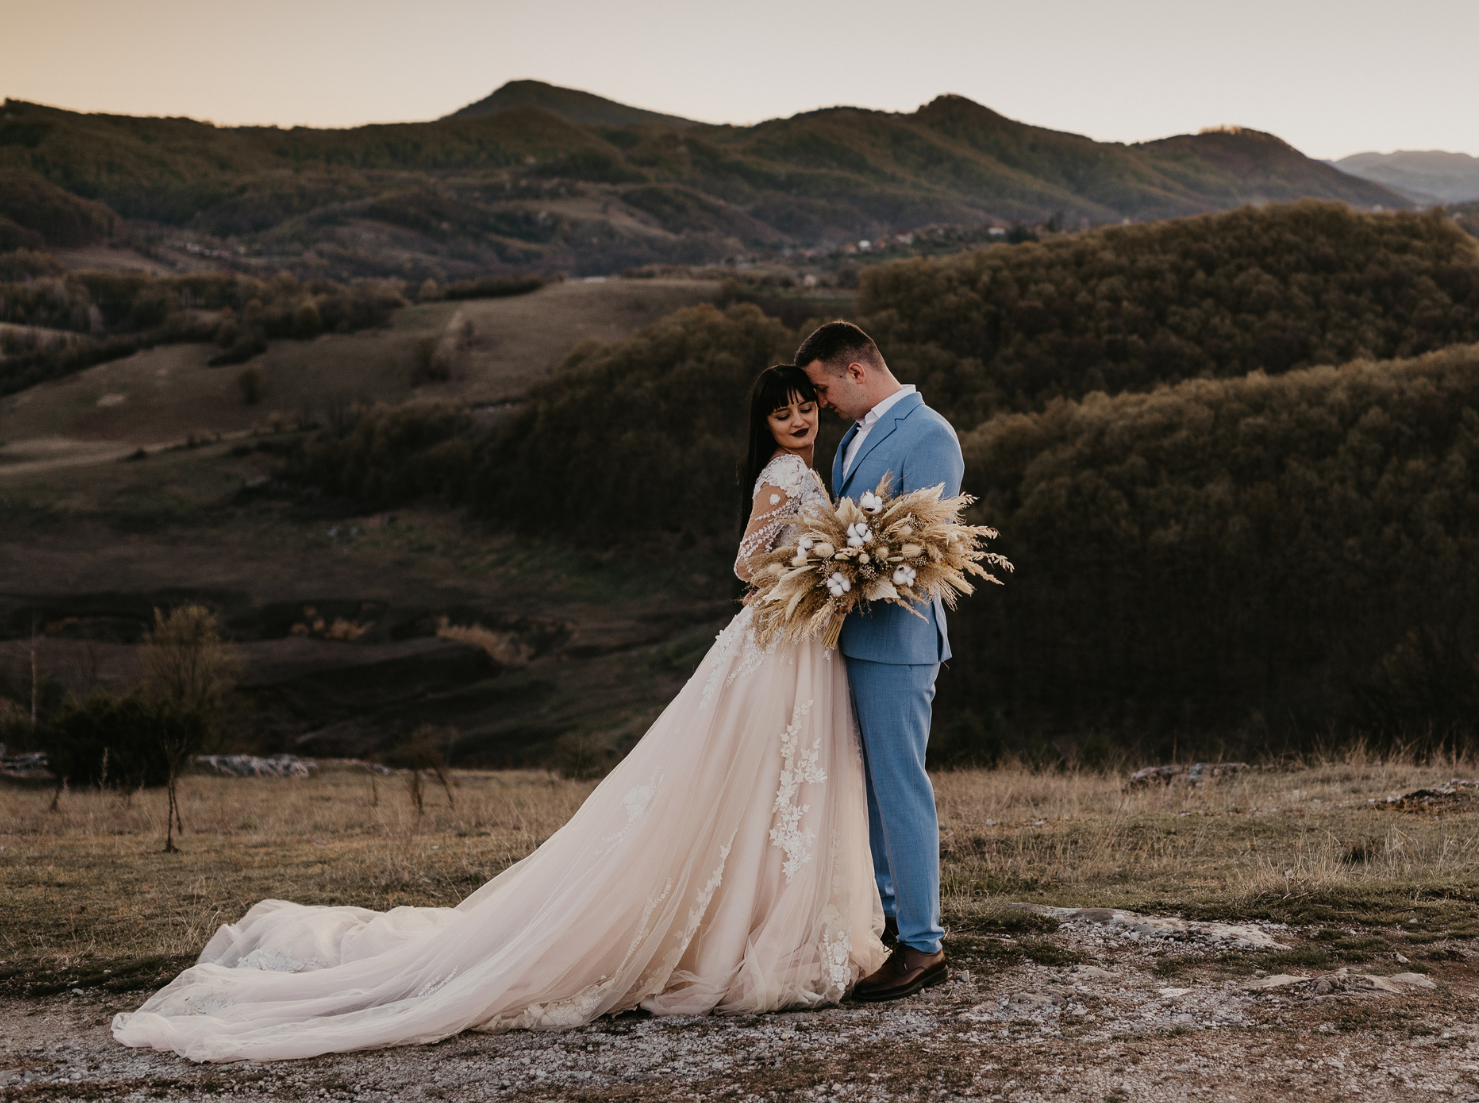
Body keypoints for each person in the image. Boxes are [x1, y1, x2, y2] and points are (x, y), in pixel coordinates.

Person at [111, 365, 887, 1062]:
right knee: (761, 782)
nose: (798, 420)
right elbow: (746, 561)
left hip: (797, 643)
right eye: (783, 412)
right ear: (765, 424)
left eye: (804, 409)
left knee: (777, 788)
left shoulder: (806, 472)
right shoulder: (785, 475)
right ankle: (751, 933)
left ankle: (765, 923)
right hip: (778, 645)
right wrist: (813, 565)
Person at [796, 319, 963, 1003]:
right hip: (853, 638)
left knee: (899, 786)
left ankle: (923, 945)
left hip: (898, 642)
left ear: (856, 372)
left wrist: (851, 567)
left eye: (823, 388)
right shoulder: (853, 437)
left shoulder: (930, 435)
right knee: (867, 789)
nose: (821, 403)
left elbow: (927, 550)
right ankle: (891, 917)